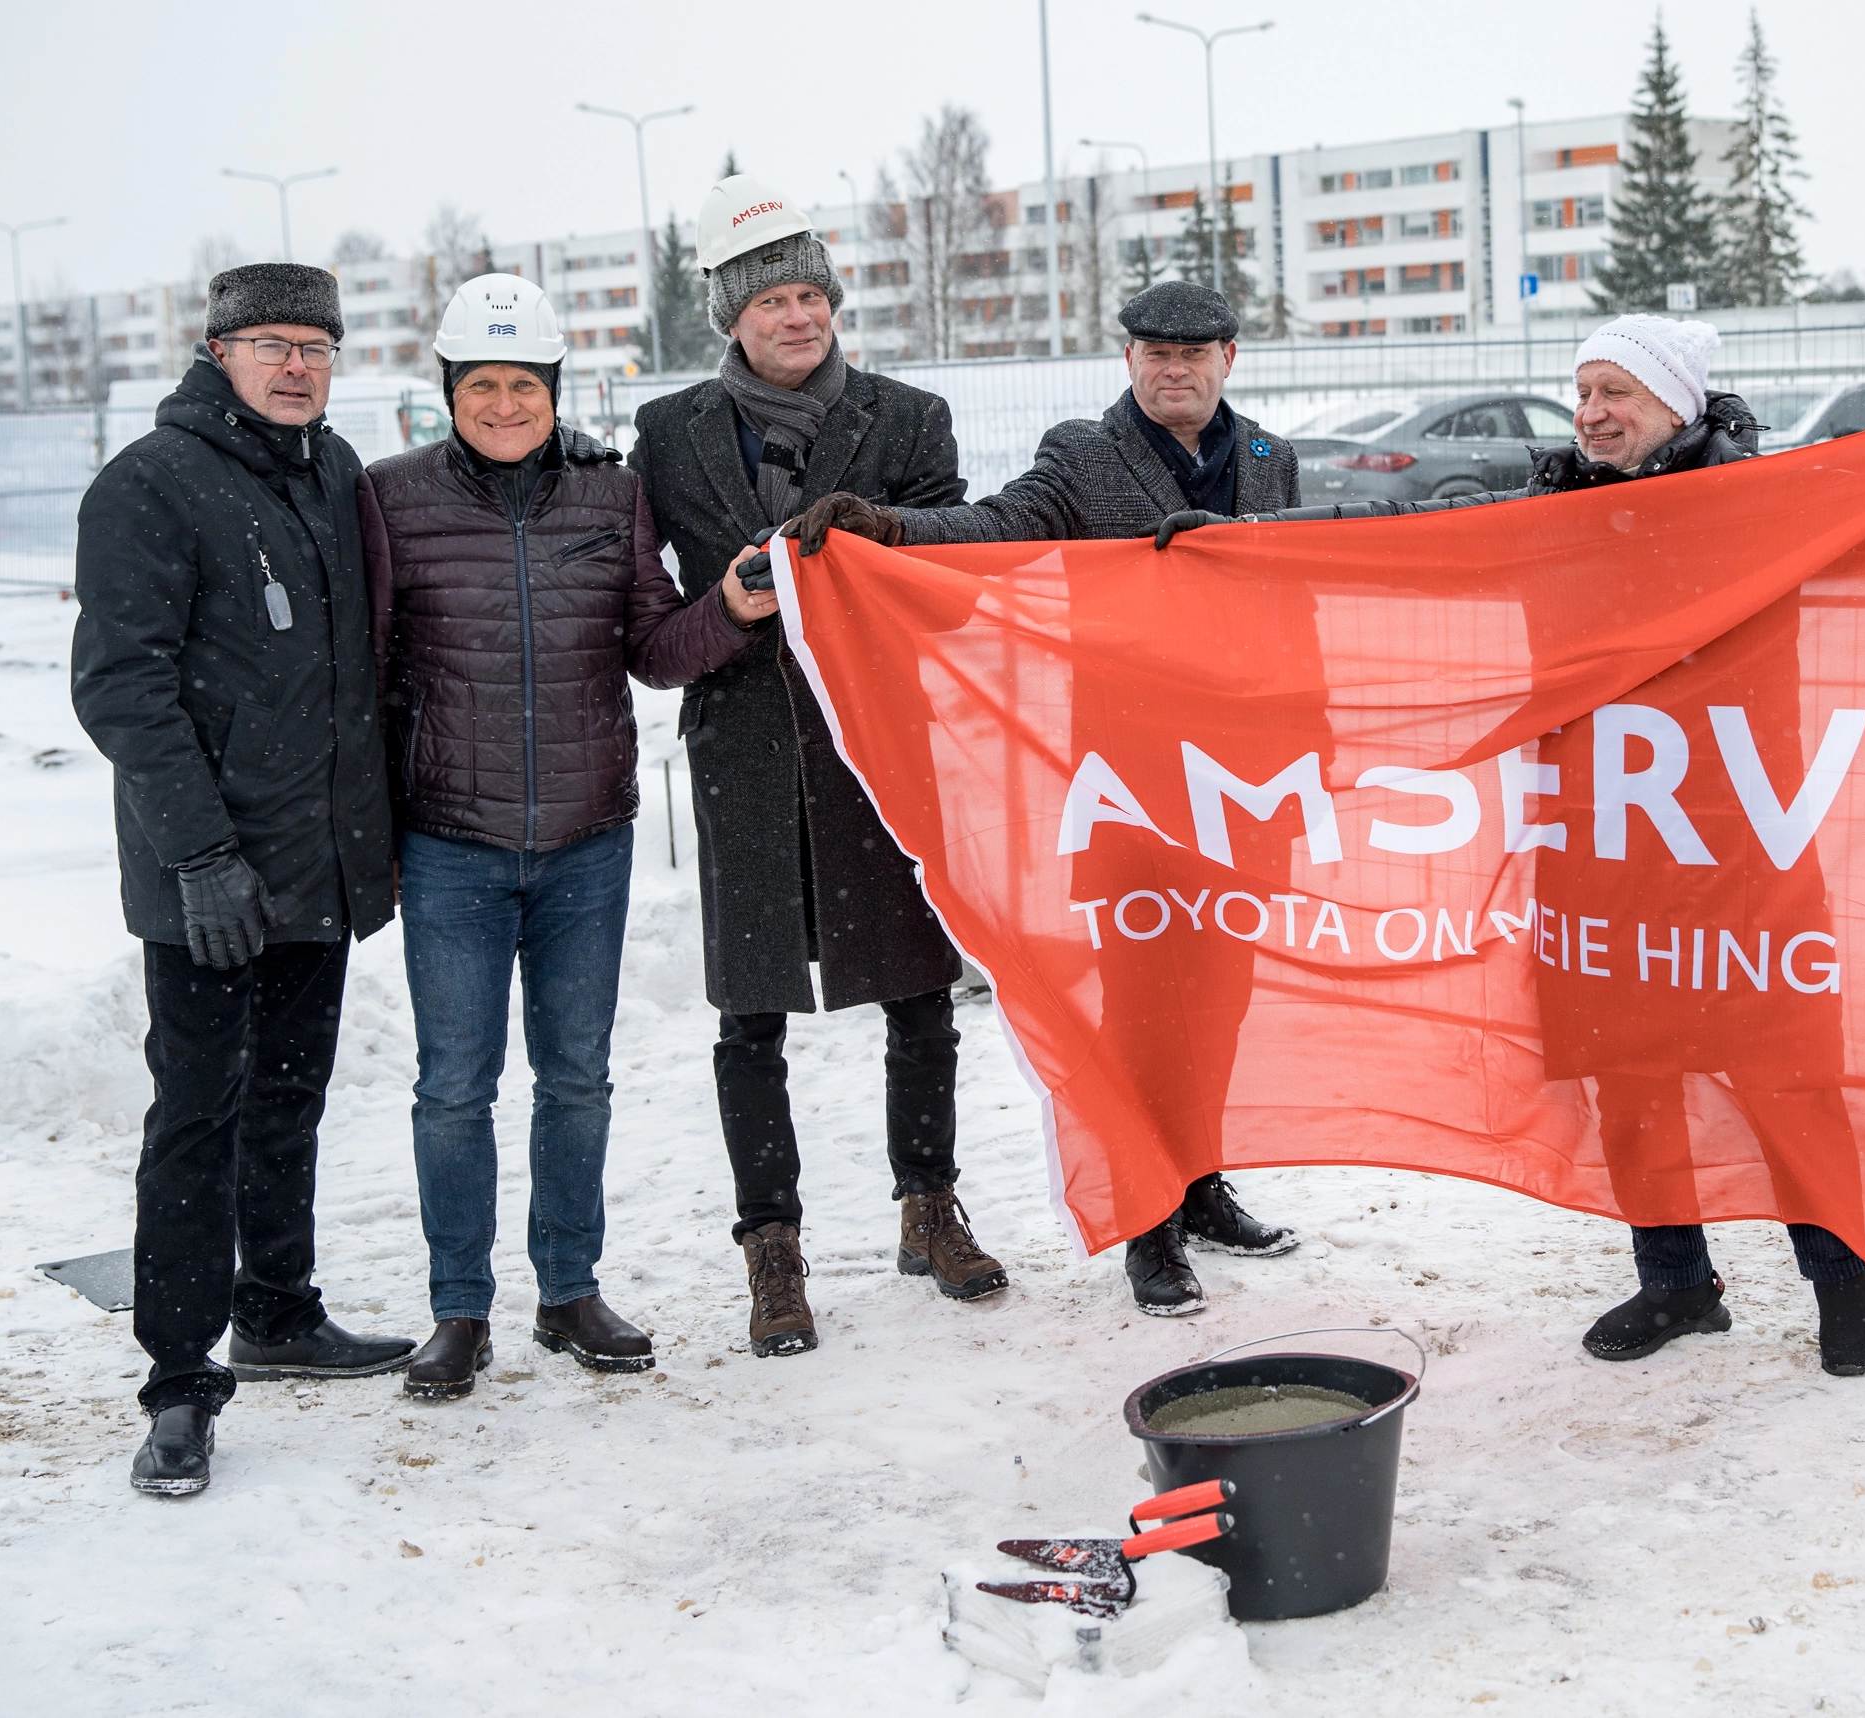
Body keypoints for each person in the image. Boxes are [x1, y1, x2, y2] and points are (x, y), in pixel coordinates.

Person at [1207, 314, 1865, 1375]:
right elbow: (1403, 552)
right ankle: (1676, 1284)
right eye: (1582, 390)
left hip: (1736, 844)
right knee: (1625, 1075)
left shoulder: (1760, 503)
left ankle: (1841, 1277)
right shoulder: (1553, 512)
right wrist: (1242, 548)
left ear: (1676, 402)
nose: (1590, 412)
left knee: (1786, 1078)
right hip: (1600, 844)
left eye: (1615, 392)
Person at [790, 278, 1308, 1318]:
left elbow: (1295, 597)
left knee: (1221, 996)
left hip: (1243, 777)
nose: (1174, 368)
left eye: (1194, 352)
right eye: (1155, 351)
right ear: (1127, 359)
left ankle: (1201, 1183)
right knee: (1140, 1007)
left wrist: (1311, 748)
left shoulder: (1266, 459)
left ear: (1229, 359)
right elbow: (998, 524)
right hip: (1125, 780)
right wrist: (890, 529)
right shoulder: (1085, 452)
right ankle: (1147, 1220)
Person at [628, 175, 1008, 1360]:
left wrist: (889, 542)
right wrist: (732, 609)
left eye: (812, 294)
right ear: (730, 316)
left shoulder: (906, 420)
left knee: (918, 990)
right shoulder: (669, 434)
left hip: (876, 741)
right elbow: (654, 632)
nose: (798, 316)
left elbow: (950, 583)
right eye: (772, 299)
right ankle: (772, 1245)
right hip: (742, 747)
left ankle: (928, 1204)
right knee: (749, 1010)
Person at [365, 276, 759, 1400]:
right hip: (450, 839)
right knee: (454, 1084)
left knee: (577, 1076)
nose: (502, 404)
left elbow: (651, 645)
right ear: (448, 391)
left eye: (522, 384)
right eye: (480, 385)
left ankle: (569, 1287)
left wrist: (726, 611)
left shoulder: (611, 495)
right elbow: (373, 674)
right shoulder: (391, 499)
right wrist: (375, 829)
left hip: (588, 835)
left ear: (553, 390)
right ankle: (458, 1308)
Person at [72, 263, 414, 1497]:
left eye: (316, 345)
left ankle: (278, 1307)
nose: (295, 365)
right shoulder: (149, 486)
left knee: (289, 1100)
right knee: (198, 1118)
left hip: (314, 867)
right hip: (207, 880)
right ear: (215, 350)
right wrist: (200, 853)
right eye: (270, 342)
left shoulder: (329, 475)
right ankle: (177, 1381)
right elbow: (122, 685)